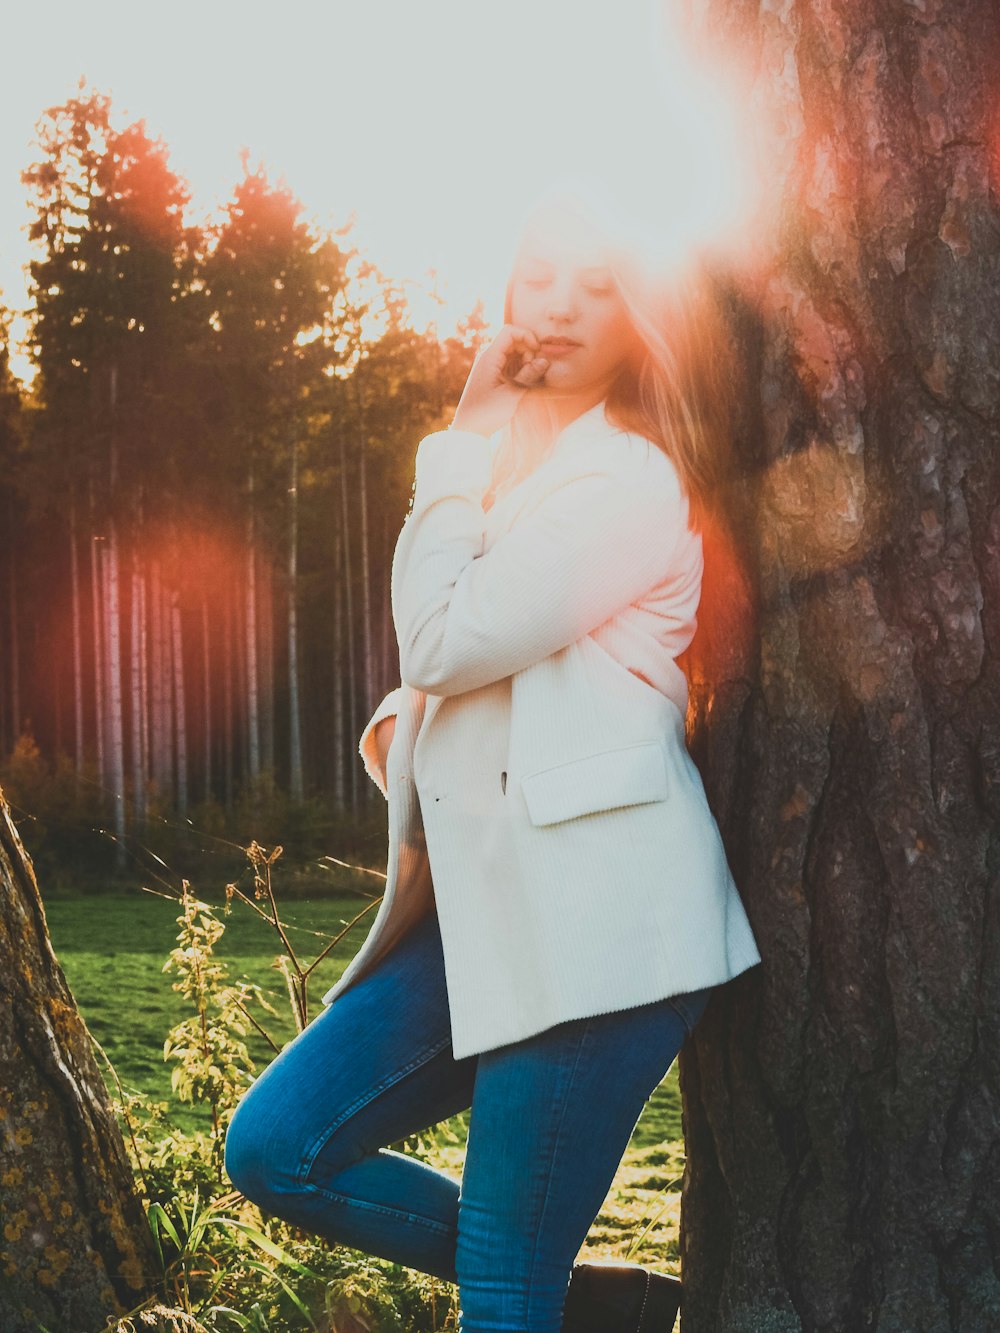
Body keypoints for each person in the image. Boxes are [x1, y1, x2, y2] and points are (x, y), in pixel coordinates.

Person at [224, 175, 763, 1333]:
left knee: (501, 1299)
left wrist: (454, 447)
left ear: (640, 315)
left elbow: (442, 636)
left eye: (598, 285)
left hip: (599, 928)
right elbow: (465, 660)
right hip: (485, 914)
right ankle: (594, 1305)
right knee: (276, 1147)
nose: (559, 306)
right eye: (537, 277)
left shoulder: (629, 475)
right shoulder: (529, 469)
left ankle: (536, 1293)